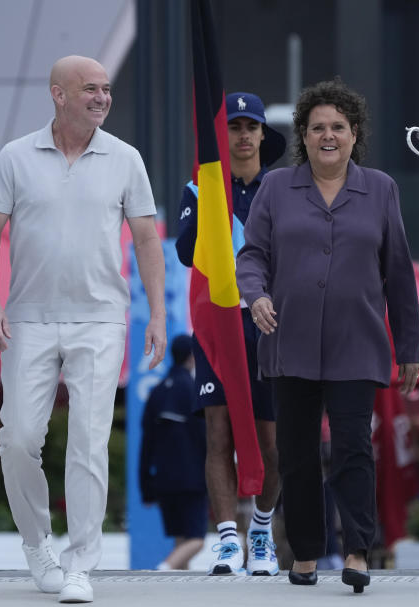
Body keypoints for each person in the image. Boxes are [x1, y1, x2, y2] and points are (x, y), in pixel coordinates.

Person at [0, 55, 166, 604]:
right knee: (17, 440)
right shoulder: (14, 157)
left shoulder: (126, 159)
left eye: (105, 89)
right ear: (58, 94)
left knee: (88, 440)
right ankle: (37, 545)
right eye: (90, 89)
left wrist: (156, 313)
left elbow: (148, 240)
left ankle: (81, 562)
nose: (102, 98)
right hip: (28, 318)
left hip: (101, 319)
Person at [236, 78, 419, 593]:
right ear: (303, 134)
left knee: (353, 450)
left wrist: (408, 346)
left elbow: (400, 272)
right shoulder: (276, 187)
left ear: (354, 133)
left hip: (357, 343)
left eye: (338, 126)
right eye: (318, 127)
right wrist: (257, 296)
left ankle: (359, 550)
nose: (328, 135)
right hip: (288, 341)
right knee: (295, 455)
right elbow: (252, 256)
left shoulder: (381, 188)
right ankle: (306, 554)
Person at [175, 91, 285, 577]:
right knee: (217, 432)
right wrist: (210, 207)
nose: (242, 136)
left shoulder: (282, 189)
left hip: (270, 322)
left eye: (250, 127)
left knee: (271, 439)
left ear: (263, 134)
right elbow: (184, 252)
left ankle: (260, 533)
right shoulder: (200, 188)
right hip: (217, 322)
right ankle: (225, 541)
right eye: (234, 127)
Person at [139, 334, 207, 570]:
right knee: (196, 539)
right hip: (193, 479)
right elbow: (205, 438)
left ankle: (178, 587)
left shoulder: (156, 392)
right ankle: (165, 568)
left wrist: (146, 487)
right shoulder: (194, 390)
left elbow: (146, 442)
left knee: (181, 537)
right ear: (192, 356)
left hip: (164, 479)